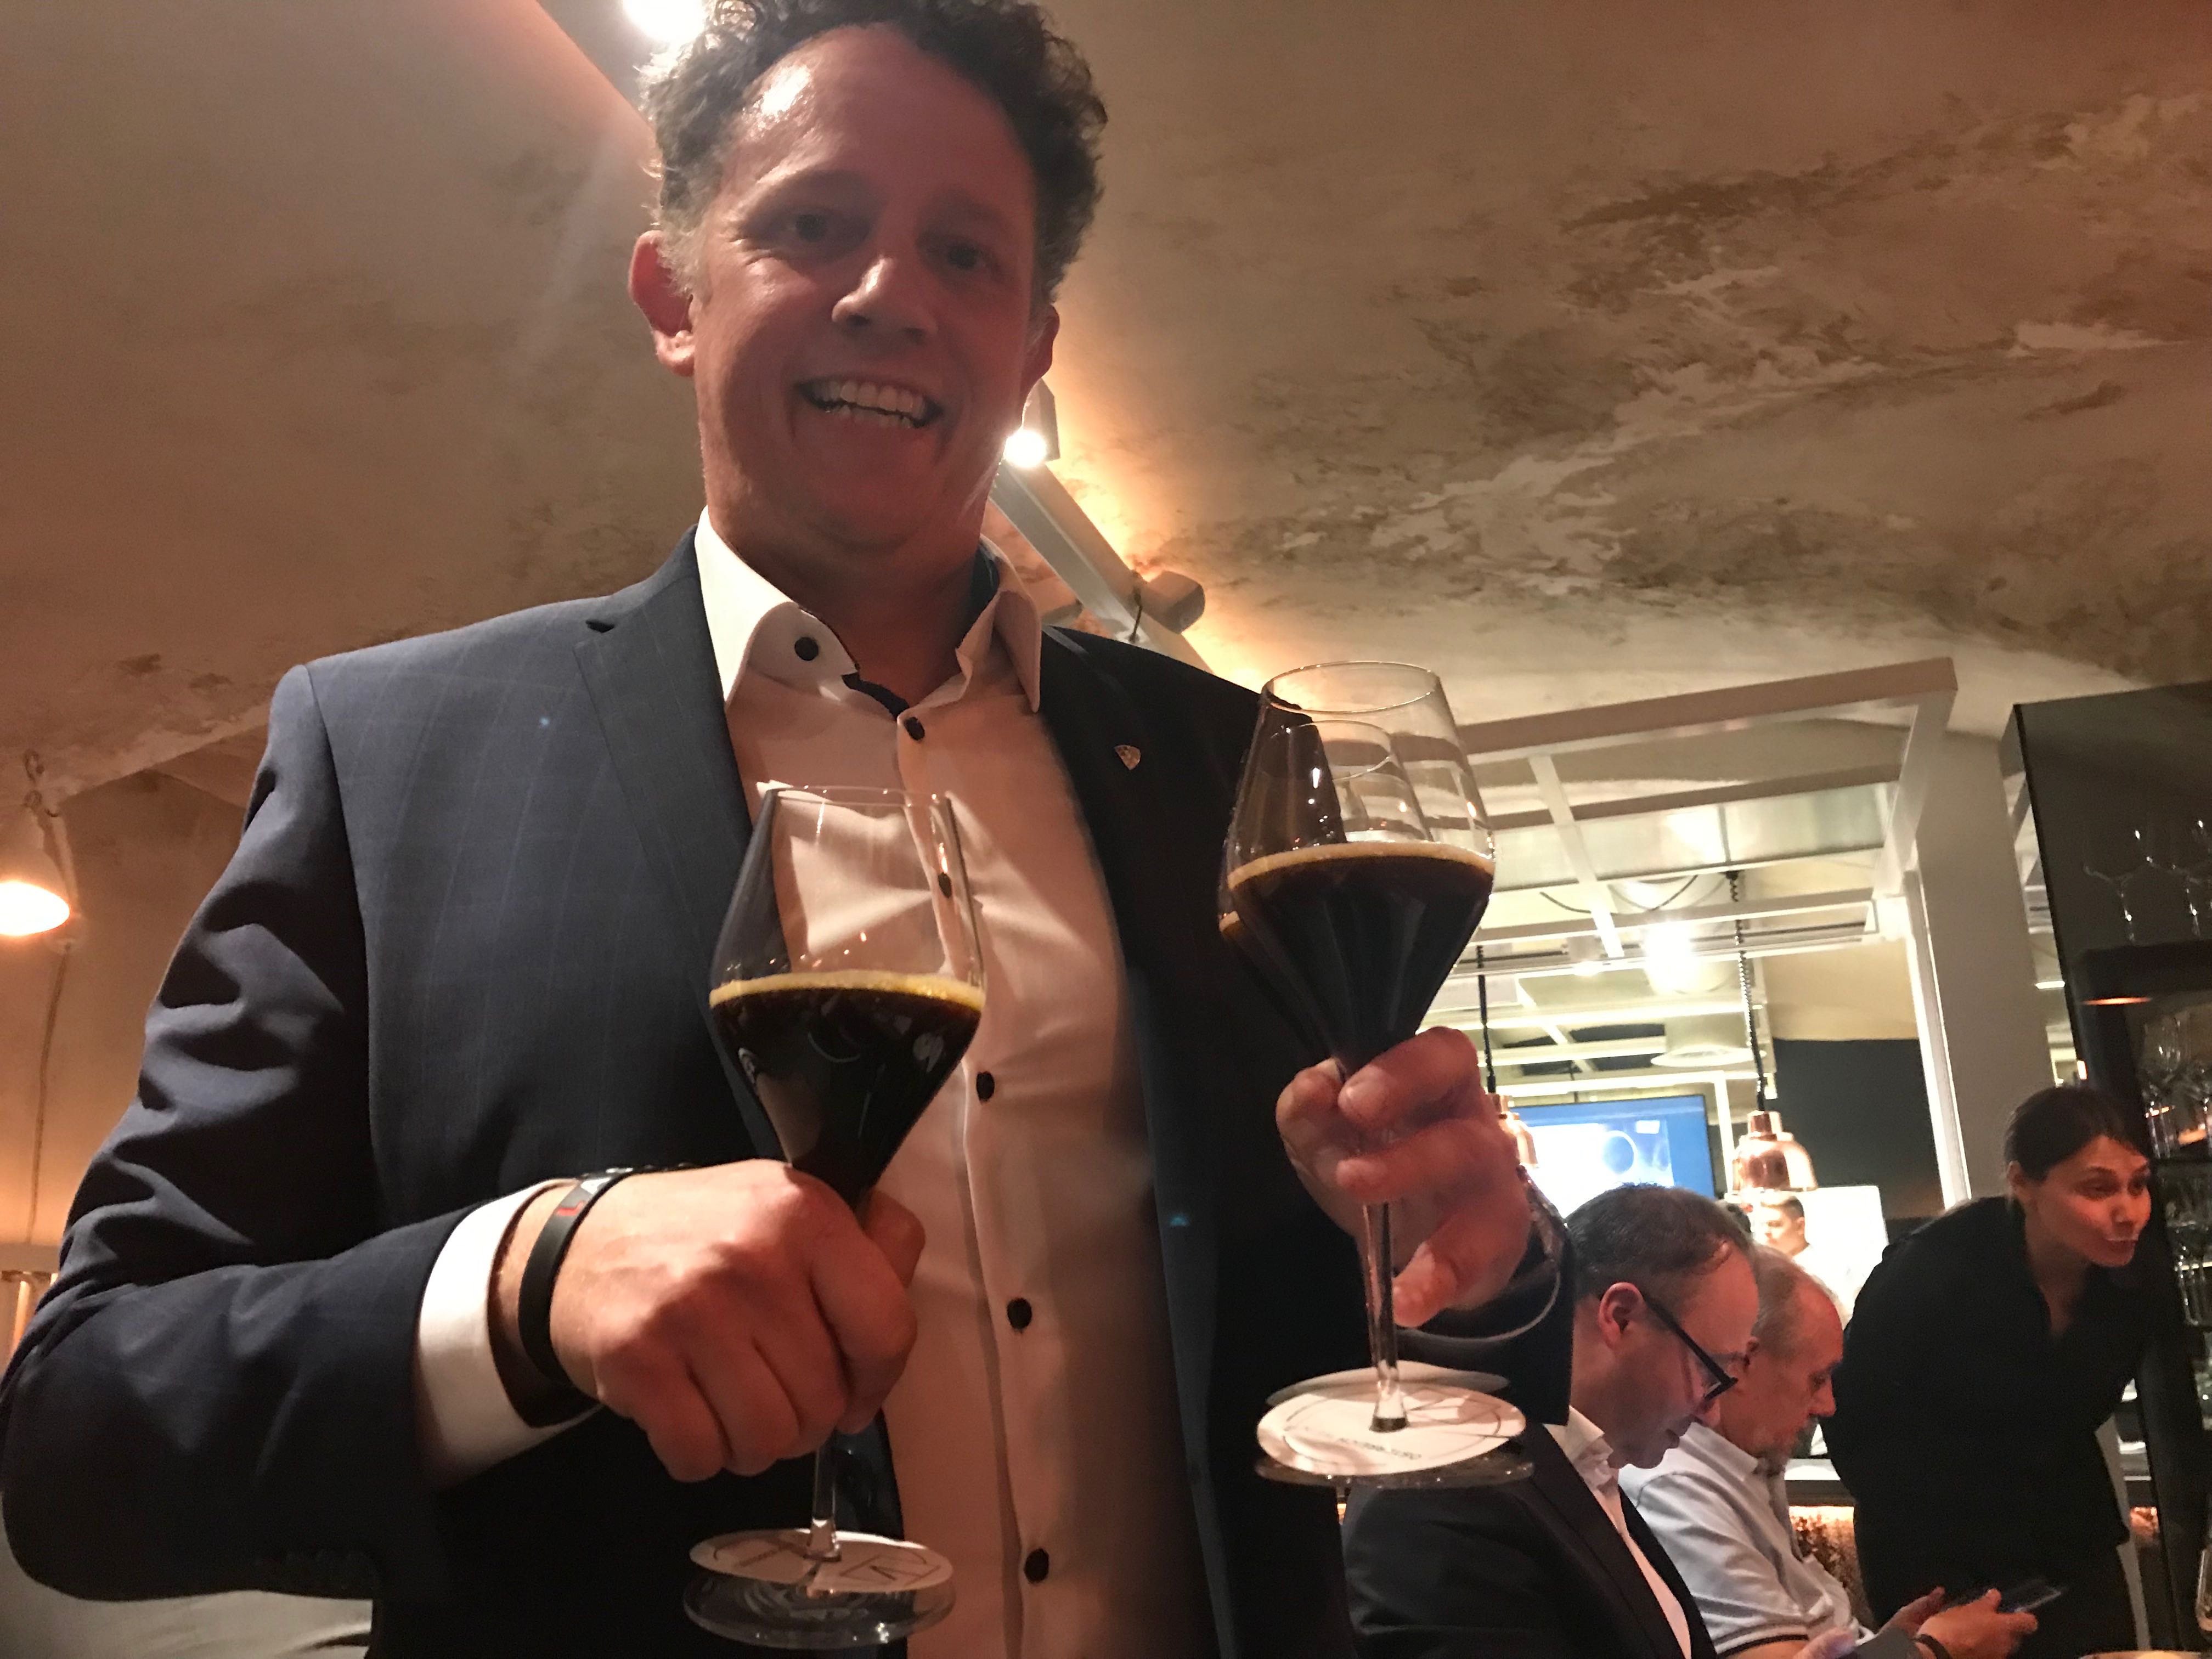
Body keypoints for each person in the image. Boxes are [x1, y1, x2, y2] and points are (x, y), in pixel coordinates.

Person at [0, 5, 1562, 1656]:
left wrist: (1485, 1264)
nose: (893, 291)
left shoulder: (1224, 767)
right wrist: (527, 1287)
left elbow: (1434, 1357)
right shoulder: (392, 760)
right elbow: (80, 1432)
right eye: (814, 224)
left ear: (1033, 344)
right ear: (673, 294)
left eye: (966, 253)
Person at [1344, 1184, 1763, 1659]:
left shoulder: (1585, 1467)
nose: (1712, 1412)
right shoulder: (1445, 1492)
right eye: (1710, 1371)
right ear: (1621, 1317)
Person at [1826, 1084, 2153, 1659]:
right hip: (1936, 1553)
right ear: (2023, 1183)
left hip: (2070, 1541)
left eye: (2138, 1184)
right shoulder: (1933, 1270)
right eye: (2098, 1188)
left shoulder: (2131, 1278)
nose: (2127, 1211)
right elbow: (1850, 1418)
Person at [1624, 1247, 2034, 1659]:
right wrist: (1934, 1651)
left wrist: (1892, 1644)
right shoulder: (1676, 1487)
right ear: (1743, 1364)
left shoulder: (1749, 1463)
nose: (1828, 1405)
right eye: (1818, 1379)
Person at [1751, 1198, 1855, 1323]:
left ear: (1800, 1226)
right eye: (1762, 1225)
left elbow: (1848, 1318)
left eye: (1775, 1225)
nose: (1766, 1232)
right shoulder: (1758, 1270)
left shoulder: (1833, 1269)